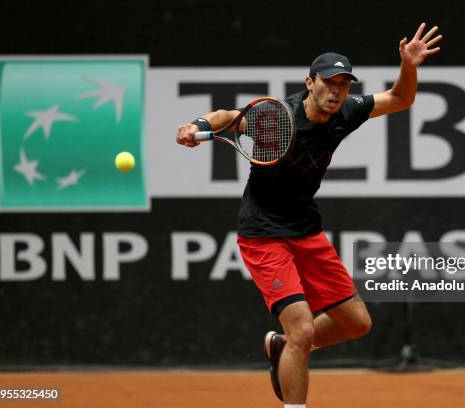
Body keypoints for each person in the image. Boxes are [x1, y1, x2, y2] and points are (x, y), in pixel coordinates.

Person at [176, 22, 442, 408]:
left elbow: (400, 98)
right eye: (328, 82)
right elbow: (224, 117)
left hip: (305, 230)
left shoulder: (347, 111)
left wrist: (409, 66)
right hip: (263, 234)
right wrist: (195, 126)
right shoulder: (276, 118)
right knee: (302, 329)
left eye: (343, 83)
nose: (336, 90)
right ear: (310, 82)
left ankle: (284, 347)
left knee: (357, 323)